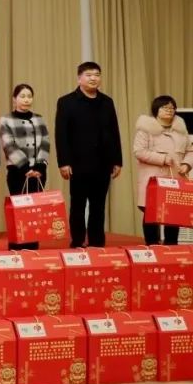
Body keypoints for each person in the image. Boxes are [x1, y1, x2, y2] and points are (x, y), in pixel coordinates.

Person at [55, 62, 122, 248]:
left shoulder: (107, 102)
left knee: (98, 205)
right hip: (77, 163)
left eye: (97, 75)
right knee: (78, 204)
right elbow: (61, 135)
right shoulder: (66, 101)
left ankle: (97, 241)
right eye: (89, 75)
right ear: (79, 78)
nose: (93, 78)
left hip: (103, 162)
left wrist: (117, 160)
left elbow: (114, 132)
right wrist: (64, 162)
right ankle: (77, 240)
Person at [134, 95, 192, 245]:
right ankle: (152, 246)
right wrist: (163, 158)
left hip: (175, 178)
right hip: (153, 180)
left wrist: (186, 164)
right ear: (156, 110)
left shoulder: (181, 130)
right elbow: (139, 152)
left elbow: (190, 151)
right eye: (165, 107)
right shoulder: (145, 129)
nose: (169, 110)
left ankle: (171, 247)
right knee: (151, 214)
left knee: (174, 214)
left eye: (172, 108)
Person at [0, 84, 51, 251]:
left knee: (34, 211)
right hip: (18, 171)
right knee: (19, 210)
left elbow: (45, 143)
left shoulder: (39, 119)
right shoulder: (6, 120)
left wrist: (40, 167)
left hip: (38, 171)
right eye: (22, 96)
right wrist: (25, 167)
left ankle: (33, 245)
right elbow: (8, 145)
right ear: (14, 99)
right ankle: (16, 246)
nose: (26, 99)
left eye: (29, 96)